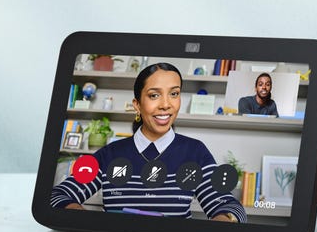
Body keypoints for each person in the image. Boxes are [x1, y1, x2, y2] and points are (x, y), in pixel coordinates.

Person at [51, 63, 247, 222]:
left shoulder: (195, 152)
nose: (166, 104)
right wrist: (78, 214)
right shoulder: (109, 154)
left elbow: (230, 207)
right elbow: (58, 194)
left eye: (174, 93)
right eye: (154, 95)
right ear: (137, 105)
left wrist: (223, 221)